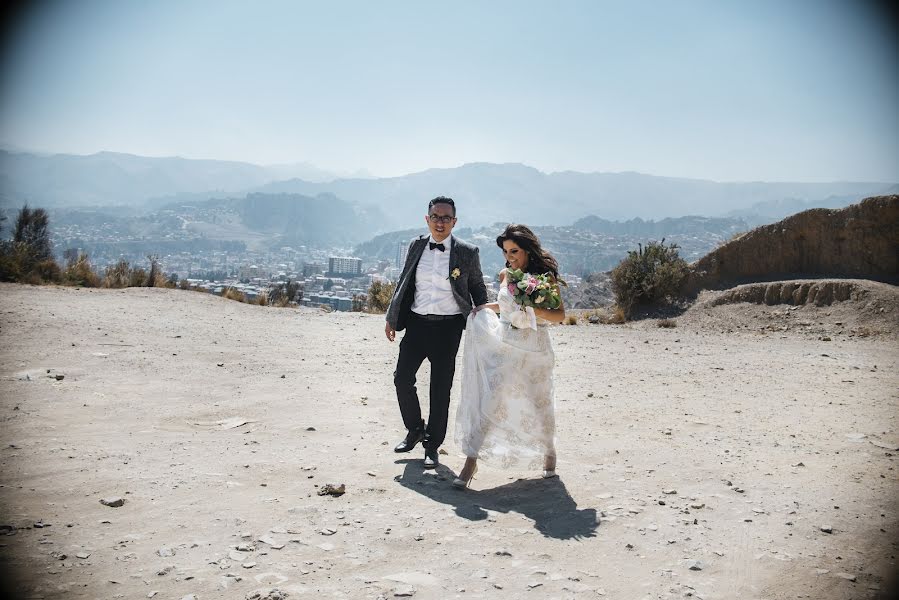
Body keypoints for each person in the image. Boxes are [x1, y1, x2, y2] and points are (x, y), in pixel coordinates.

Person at [453, 224, 566, 489]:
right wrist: (485, 307)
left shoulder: (544, 276)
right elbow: (507, 306)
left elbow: (559, 316)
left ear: (527, 249)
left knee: (539, 403)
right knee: (491, 399)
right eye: (506, 251)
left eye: (514, 251)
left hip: (536, 349)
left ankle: (549, 452)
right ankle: (471, 461)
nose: (509, 256)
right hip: (506, 348)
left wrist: (532, 311)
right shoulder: (506, 274)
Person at [385, 197, 488, 469]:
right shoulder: (416, 245)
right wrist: (392, 318)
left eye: (445, 217)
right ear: (426, 219)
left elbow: (477, 287)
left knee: (440, 390)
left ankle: (432, 445)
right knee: (402, 379)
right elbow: (404, 281)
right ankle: (414, 429)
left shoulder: (467, 252)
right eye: (435, 216)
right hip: (417, 324)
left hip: (448, 327)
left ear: (455, 221)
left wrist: (485, 321)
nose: (440, 222)